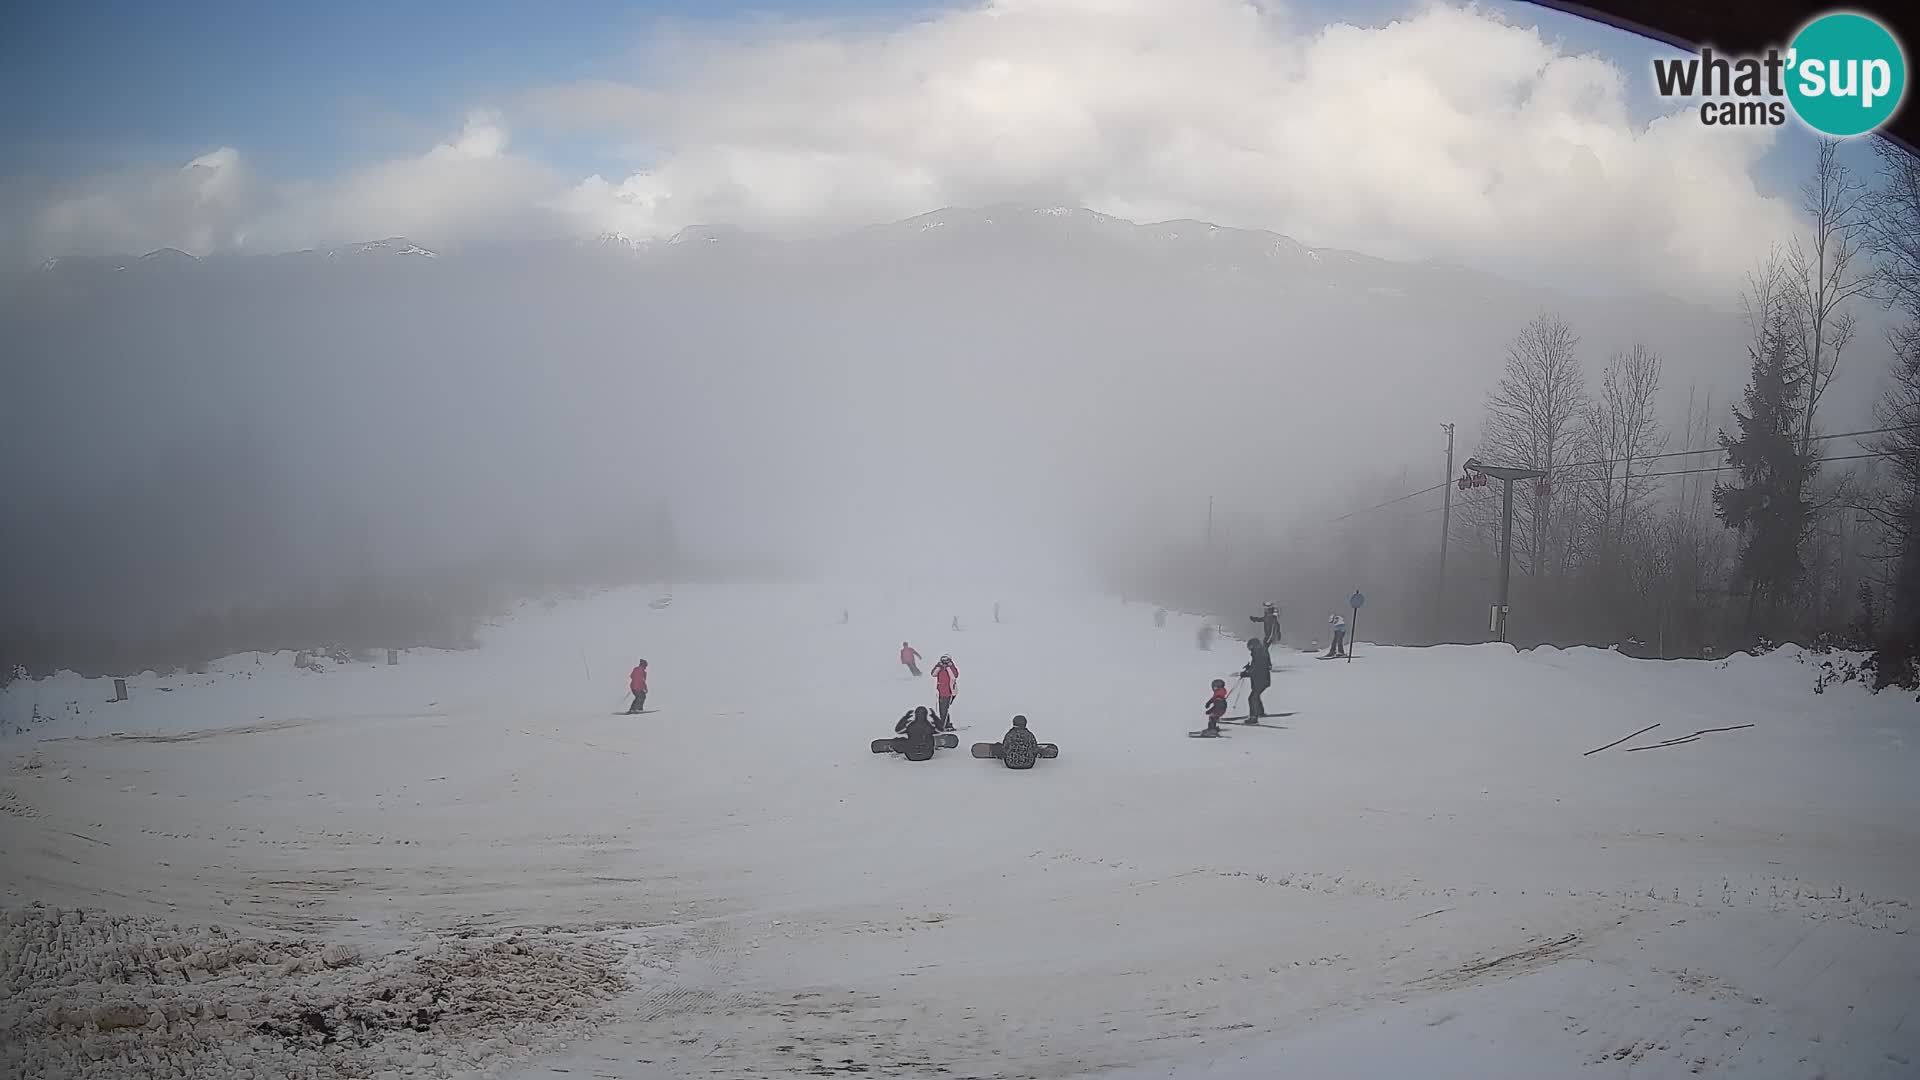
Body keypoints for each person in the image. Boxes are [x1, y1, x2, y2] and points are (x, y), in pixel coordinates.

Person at [1241, 637, 1272, 721]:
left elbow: (1258, 668)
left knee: (1252, 698)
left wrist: (1247, 673)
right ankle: (1259, 712)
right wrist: (1249, 668)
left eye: (1250, 647)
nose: (1249, 649)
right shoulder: (1260, 652)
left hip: (1260, 680)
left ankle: (1253, 717)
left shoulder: (1259, 654)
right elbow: (1259, 666)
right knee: (1255, 696)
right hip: (1262, 679)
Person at [932, 654, 961, 731]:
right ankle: (946, 724)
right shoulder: (939, 668)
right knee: (943, 709)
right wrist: (939, 666)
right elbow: (933, 674)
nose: (944, 662)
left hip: (950, 692)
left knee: (944, 709)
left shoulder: (951, 668)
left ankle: (944, 725)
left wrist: (949, 667)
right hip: (941, 691)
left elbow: (954, 676)